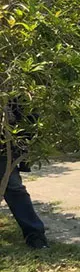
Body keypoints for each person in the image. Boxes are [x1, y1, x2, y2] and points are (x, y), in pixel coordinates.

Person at [1, 99, 48, 249]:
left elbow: (27, 114)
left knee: (14, 187)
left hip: (3, 145)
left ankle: (35, 235)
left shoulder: (9, 84)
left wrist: (25, 151)